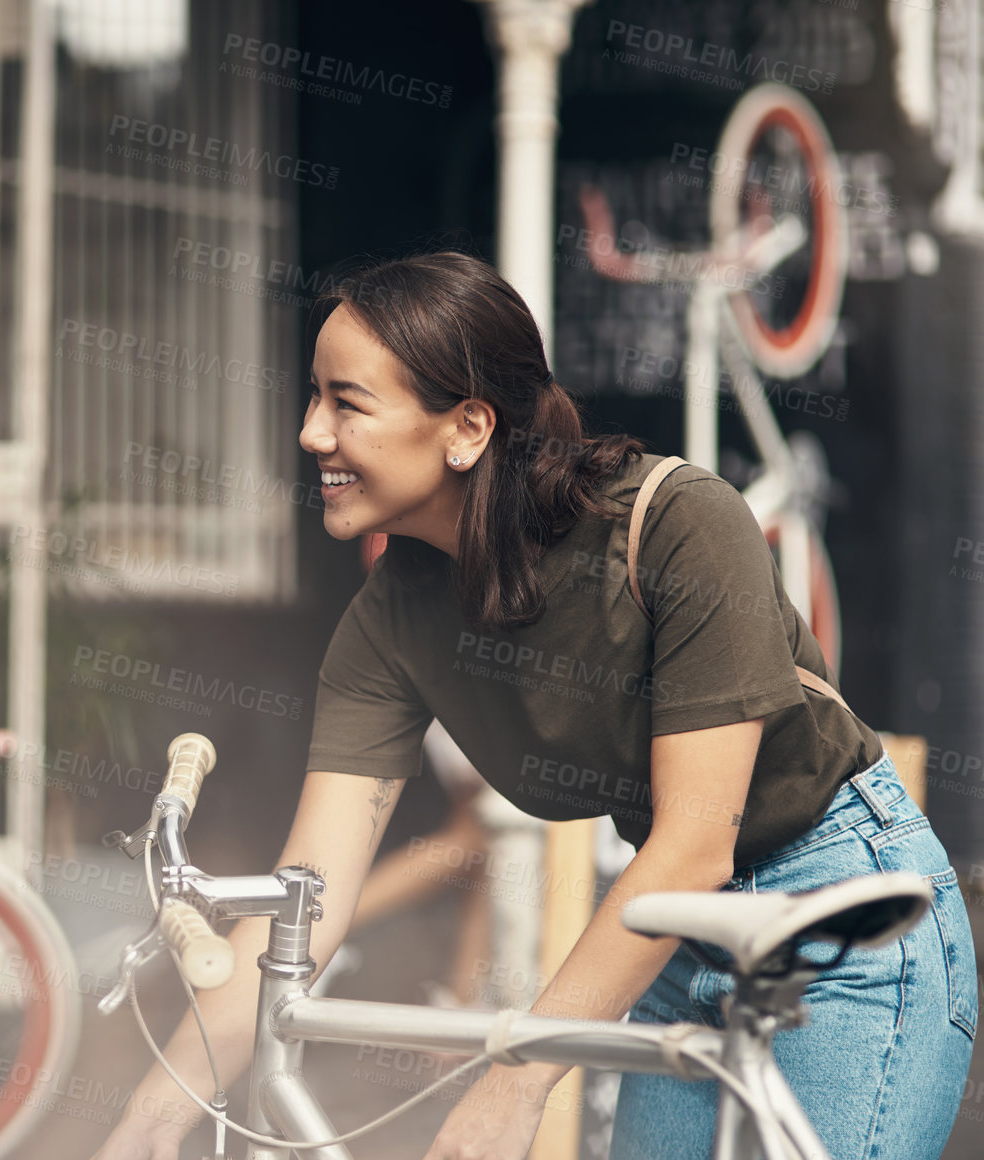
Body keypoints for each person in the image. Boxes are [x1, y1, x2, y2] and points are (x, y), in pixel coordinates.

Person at [90, 252, 976, 1160]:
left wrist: (515, 1083)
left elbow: (694, 842)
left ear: (467, 426)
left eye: (346, 402)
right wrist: (157, 1107)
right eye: (312, 398)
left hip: (839, 913)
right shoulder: (388, 624)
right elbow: (305, 904)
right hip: (674, 931)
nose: (312, 432)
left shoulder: (678, 525)